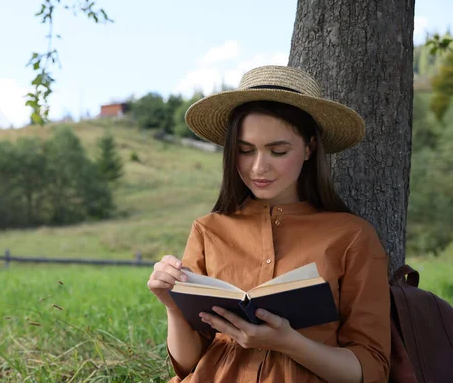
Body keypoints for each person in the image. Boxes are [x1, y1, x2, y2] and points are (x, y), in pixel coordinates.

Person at [147, 65, 391, 383]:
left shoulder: (351, 236)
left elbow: (371, 370)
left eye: (278, 151)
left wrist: (290, 344)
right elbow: (188, 363)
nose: (258, 167)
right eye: (245, 151)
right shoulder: (209, 230)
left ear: (309, 148)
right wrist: (173, 306)